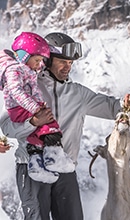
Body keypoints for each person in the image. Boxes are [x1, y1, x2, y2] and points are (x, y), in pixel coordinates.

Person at [0, 32, 130, 220]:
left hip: (65, 169)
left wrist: (129, 106)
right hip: (32, 168)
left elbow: (111, 107)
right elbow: (7, 128)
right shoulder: (28, 86)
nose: (68, 67)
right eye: (63, 61)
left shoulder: (78, 94)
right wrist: (33, 123)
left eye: (71, 63)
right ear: (47, 60)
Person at [0, 32, 74, 184]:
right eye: (37, 59)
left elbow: (34, 90)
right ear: (24, 56)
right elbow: (17, 92)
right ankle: (54, 156)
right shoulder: (14, 70)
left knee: (37, 135)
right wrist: (35, 109)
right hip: (20, 109)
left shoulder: (28, 71)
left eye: (42, 60)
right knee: (49, 126)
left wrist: (40, 104)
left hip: (27, 108)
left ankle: (37, 165)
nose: (40, 64)